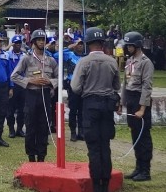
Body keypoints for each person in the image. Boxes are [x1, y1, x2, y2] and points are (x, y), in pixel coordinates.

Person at [71, 27, 120, 192]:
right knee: (105, 145)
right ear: (102, 43)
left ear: (88, 43)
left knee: (93, 147)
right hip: (107, 107)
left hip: (90, 106)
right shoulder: (112, 61)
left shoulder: (83, 62)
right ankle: (105, 184)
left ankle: (96, 185)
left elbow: (75, 87)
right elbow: (117, 86)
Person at [10, 29, 58, 162]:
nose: (42, 42)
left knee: (44, 126)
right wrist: (30, 80)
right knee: (31, 126)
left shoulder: (51, 60)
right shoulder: (27, 59)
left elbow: (59, 77)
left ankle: (42, 155)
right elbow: (14, 76)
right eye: (39, 40)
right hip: (31, 95)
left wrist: (50, 82)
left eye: (43, 40)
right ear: (34, 42)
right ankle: (31, 155)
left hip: (46, 94)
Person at [120, 31, 154, 181]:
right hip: (131, 99)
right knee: (135, 134)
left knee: (143, 136)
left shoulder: (146, 62)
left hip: (141, 101)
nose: (127, 48)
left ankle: (145, 170)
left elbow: (147, 87)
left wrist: (142, 108)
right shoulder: (129, 61)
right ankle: (138, 167)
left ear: (137, 45)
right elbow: (125, 84)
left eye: (130, 45)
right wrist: (121, 103)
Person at [55, 36, 84, 141]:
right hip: (72, 85)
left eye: (81, 44)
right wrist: (70, 47)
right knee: (73, 110)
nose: (80, 46)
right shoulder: (69, 55)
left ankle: (81, 132)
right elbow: (56, 55)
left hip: (83, 86)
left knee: (82, 110)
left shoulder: (85, 57)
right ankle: (72, 132)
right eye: (78, 44)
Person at [7, 35, 26, 138]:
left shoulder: (24, 55)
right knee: (10, 109)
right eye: (16, 43)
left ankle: (19, 129)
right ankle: (11, 129)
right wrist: (10, 87)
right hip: (12, 85)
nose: (18, 44)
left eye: (19, 43)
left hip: (22, 85)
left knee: (22, 109)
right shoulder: (8, 55)